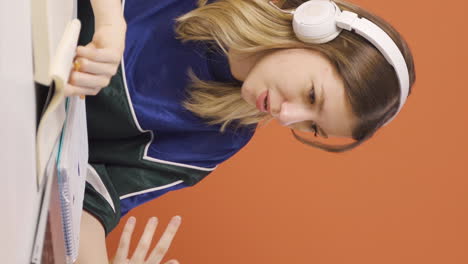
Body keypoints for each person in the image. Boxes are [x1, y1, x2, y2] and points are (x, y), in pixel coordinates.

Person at [72, 0, 416, 262]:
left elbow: (90, 197)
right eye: (312, 95)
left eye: (312, 126)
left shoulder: (222, 136)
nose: (286, 116)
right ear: (315, 30)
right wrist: (109, 23)